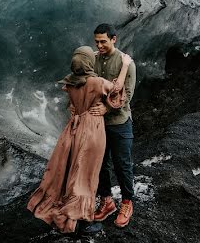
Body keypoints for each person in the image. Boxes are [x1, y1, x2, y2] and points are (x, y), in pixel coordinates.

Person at [27, 46, 132, 233]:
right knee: (86, 175)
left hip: (72, 129)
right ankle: (79, 221)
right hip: (92, 130)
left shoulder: (69, 83)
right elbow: (118, 94)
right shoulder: (98, 83)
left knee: (71, 170)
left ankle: (67, 210)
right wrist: (124, 66)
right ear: (89, 63)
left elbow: (73, 105)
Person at [90, 23, 138, 229]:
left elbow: (126, 97)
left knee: (122, 164)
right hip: (98, 124)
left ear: (113, 39)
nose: (99, 45)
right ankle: (107, 201)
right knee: (100, 163)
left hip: (119, 123)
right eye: (97, 41)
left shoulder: (126, 62)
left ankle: (127, 202)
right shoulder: (93, 59)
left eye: (103, 41)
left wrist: (106, 110)